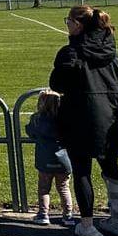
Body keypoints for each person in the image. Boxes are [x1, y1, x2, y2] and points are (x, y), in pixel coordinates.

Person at [49, 6, 118, 236]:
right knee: (111, 168)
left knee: (82, 171)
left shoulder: (72, 53)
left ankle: (87, 224)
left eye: (69, 21)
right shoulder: (112, 53)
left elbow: (57, 84)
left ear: (78, 25)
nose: (67, 25)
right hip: (110, 116)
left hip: (80, 117)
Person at [25, 89, 78, 226]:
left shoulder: (37, 119)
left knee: (44, 188)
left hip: (44, 160)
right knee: (64, 188)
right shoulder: (66, 120)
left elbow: (30, 132)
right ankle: (68, 215)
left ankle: (43, 214)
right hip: (64, 160)